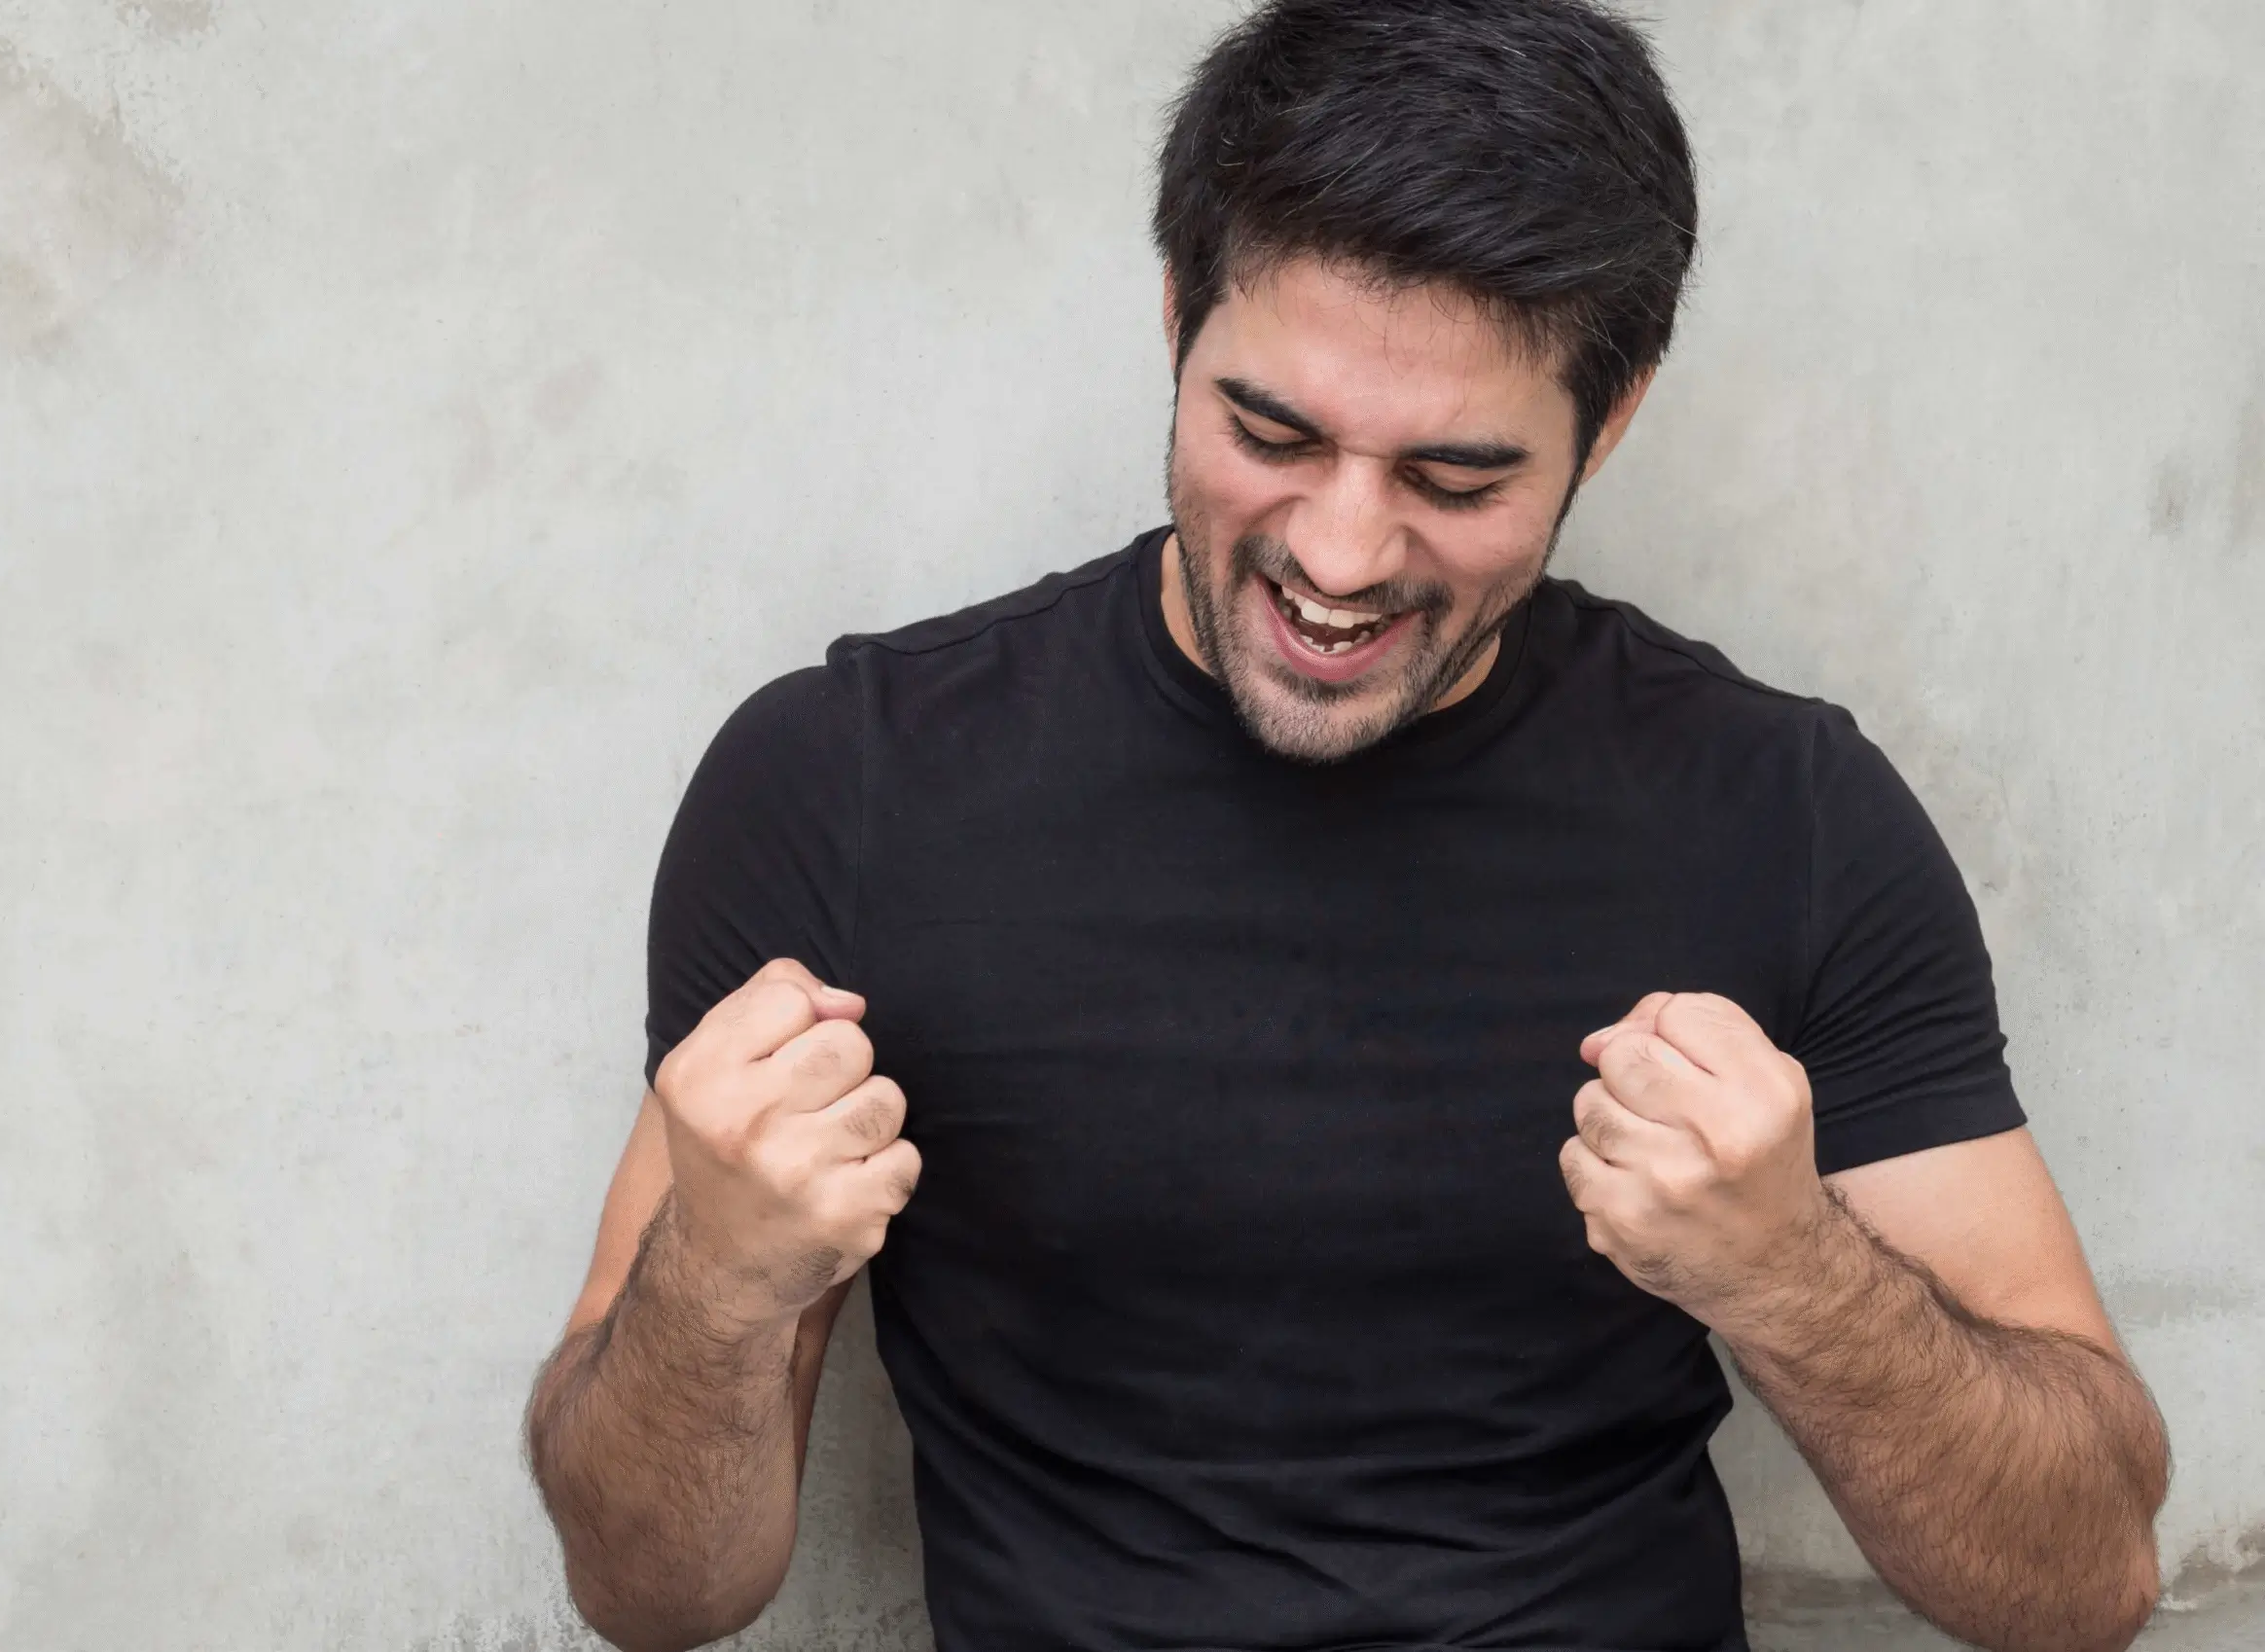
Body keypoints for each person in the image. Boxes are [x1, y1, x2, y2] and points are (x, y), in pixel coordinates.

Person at [523, 2, 2171, 1648]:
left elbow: (2084, 1585)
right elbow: (654, 1591)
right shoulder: (844, 787)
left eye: (1455, 478)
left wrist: (1791, 1273)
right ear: (1177, 321)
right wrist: (721, 1286)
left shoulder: (1787, 812)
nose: (1342, 553)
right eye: (1271, 433)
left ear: (1608, 425)